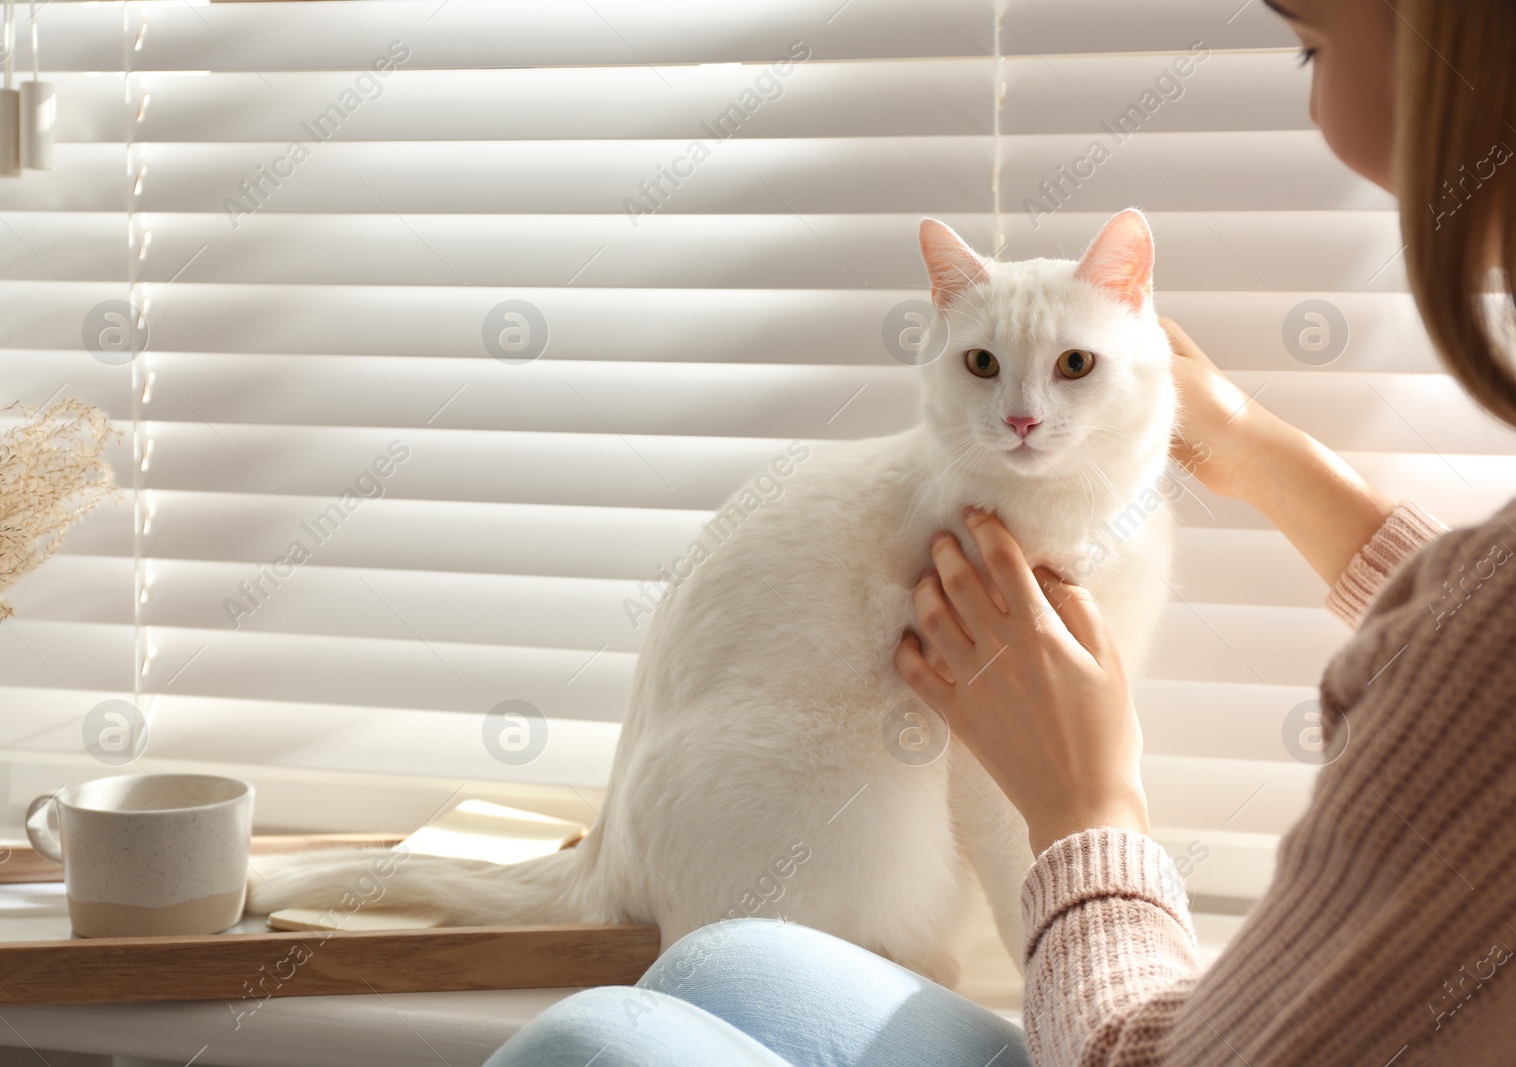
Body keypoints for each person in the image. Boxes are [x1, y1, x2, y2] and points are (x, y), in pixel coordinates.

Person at [487, 0, 1516, 1062]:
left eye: (1308, 41)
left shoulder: (1469, 696)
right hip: (751, 816)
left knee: (596, 1042)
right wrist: (1262, 454)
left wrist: (1087, 803)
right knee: (719, 966)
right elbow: (1477, 628)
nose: (1308, 97)